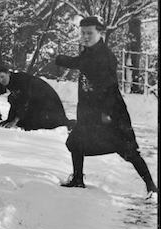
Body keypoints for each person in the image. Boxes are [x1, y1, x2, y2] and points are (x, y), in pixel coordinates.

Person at [54, 16, 157, 194]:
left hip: (108, 111)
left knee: (127, 149)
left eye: (90, 33)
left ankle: (151, 186)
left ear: (99, 33)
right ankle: (78, 179)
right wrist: (63, 60)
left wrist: (106, 113)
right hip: (90, 110)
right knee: (75, 141)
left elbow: (110, 87)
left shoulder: (104, 56)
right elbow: (81, 62)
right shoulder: (90, 51)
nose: (85, 36)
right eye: (83, 33)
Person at [0, 66, 70, 131]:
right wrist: (10, 120)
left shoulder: (20, 79)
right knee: (12, 98)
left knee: (28, 125)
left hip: (51, 111)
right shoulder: (12, 82)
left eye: (2, 76)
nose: (1, 80)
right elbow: (17, 101)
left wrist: (15, 120)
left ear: (8, 73)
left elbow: (24, 101)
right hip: (38, 105)